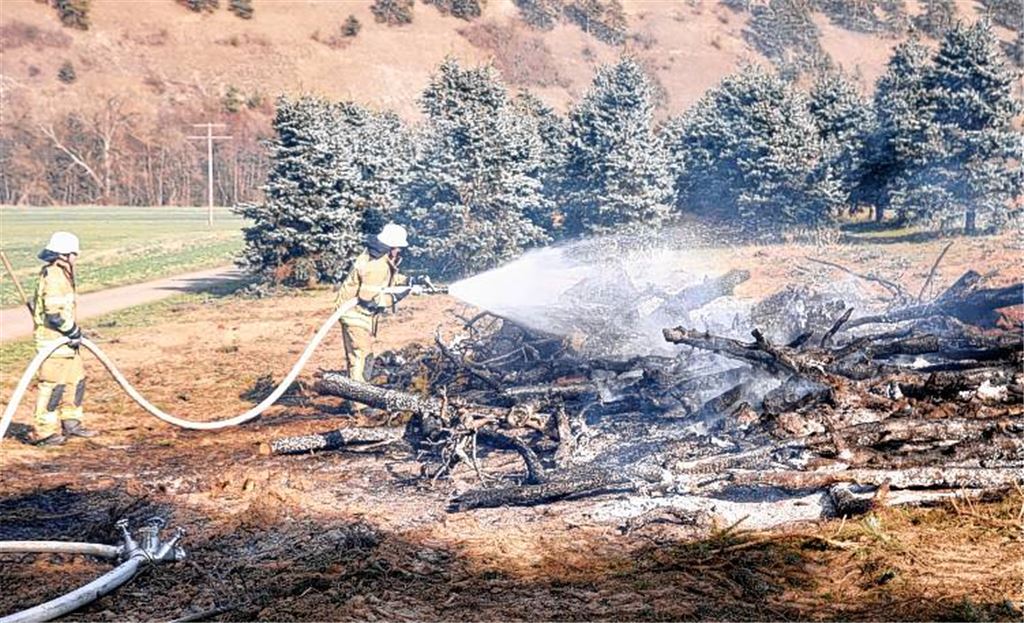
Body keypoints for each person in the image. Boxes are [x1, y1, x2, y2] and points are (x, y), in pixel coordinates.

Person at [335, 223, 421, 397]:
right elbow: (369, 299)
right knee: (360, 357)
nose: (399, 251)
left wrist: (409, 281)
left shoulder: (381, 257)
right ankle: (359, 404)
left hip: (361, 315)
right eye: (398, 247)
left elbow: (387, 279)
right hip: (355, 314)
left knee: (364, 356)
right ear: (391, 245)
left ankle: (361, 393)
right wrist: (398, 296)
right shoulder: (375, 264)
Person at [31, 232, 96, 446]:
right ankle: (44, 433)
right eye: (74, 254)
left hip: (67, 343)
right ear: (65, 255)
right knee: (52, 386)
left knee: (75, 382)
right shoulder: (54, 276)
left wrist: (73, 334)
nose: (76, 258)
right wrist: (72, 331)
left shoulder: (64, 274)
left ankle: (72, 422)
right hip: (53, 343)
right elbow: (53, 313)